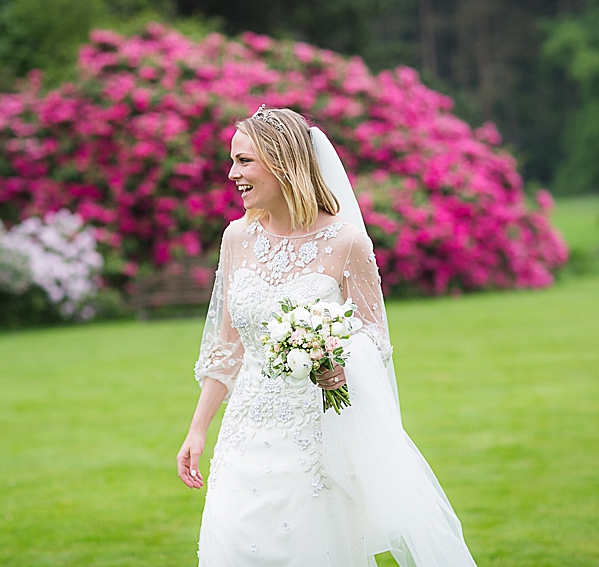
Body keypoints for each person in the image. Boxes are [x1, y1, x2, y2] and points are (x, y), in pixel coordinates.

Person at [177, 106, 479, 567]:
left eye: (244, 161)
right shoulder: (236, 238)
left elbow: (375, 336)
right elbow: (228, 348)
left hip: (314, 438)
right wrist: (197, 430)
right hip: (243, 434)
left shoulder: (347, 243)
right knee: (234, 546)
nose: (231, 173)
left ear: (283, 163)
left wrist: (333, 356)